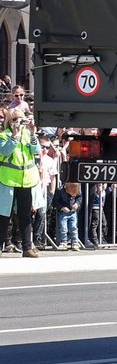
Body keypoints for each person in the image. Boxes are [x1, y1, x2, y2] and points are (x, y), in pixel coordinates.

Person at [0, 110, 42, 257]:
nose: (19, 122)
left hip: (26, 180)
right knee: (4, 215)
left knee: (25, 215)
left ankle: (27, 247)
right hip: (8, 180)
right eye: (16, 119)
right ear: (10, 121)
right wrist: (14, 137)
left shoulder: (27, 134)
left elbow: (36, 151)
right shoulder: (4, 135)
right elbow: (4, 152)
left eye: (21, 119)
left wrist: (32, 133)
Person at [51, 181, 80, 250]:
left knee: (74, 227)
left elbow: (79, 197)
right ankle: (64, 242)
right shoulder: (60, 190)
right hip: (63, 212)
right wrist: (62, 207)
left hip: (73, 212)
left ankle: (75, 242)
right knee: (63, 228)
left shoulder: (77, 188)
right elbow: (55, 201)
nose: (72, 196)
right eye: (71, 193)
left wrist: (77, 204)